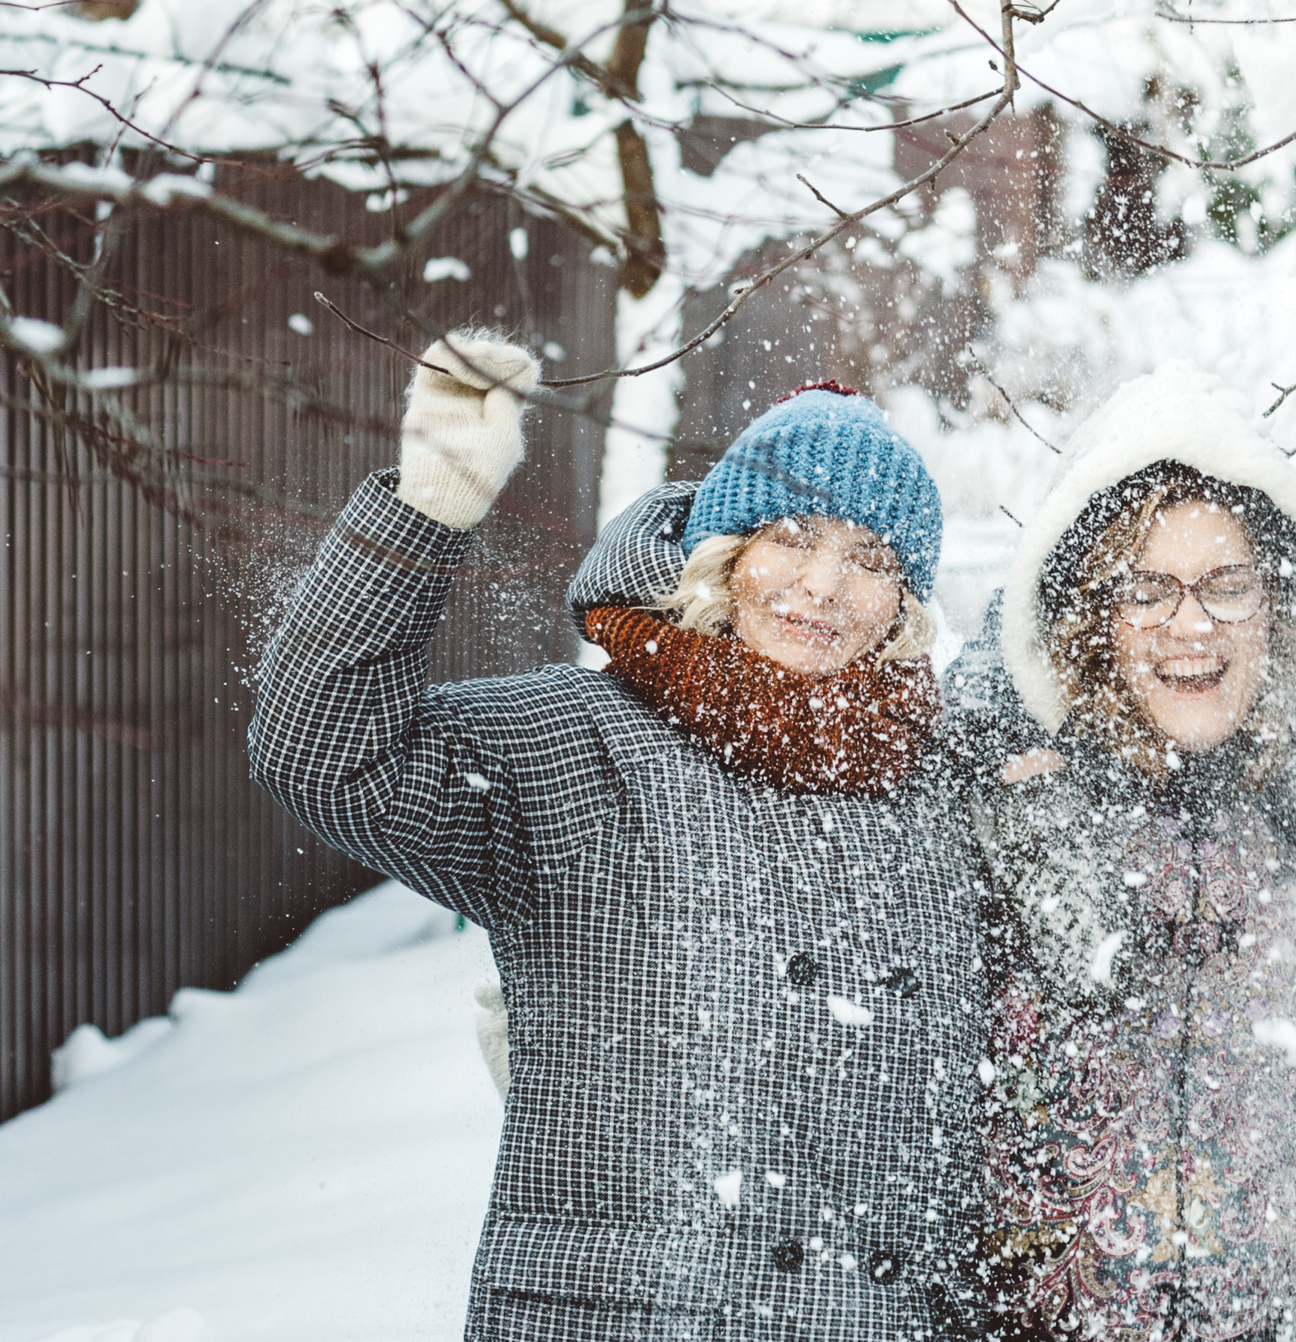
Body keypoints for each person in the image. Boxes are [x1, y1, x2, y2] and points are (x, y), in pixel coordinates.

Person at [249, 343, 986, 1341]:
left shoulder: (938, 789)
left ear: (904, 601)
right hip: (622, 1315)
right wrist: (426, 510)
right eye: (793, 537)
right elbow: (322, 752)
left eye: (870, 559)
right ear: (724, 555)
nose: (823, 584)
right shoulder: (578, 743)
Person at [952, 364, 1296, 1342]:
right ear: (1095, 620)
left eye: (1226, 585)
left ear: (1276, 606)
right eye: (1146, 588)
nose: (1189, 624)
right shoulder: (999, 813)